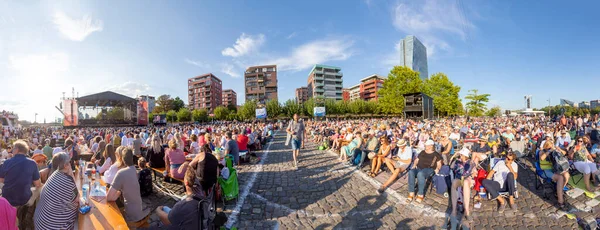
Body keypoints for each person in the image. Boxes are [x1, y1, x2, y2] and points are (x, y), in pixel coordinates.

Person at [0, 140, 42, 230]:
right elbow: (38, 184)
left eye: (13, 148)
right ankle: (31, 216)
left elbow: (1, 179)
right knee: (38, 189)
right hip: (24, 198)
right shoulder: (32, 163)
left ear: (17, 149)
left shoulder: (7, 162)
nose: (11, 151)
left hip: (7, 198)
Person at [33, 152, 78, 229]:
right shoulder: (67, 181)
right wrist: (71, 174)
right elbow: (77, 199)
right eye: (69, 162)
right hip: (53, 226)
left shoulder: (54, 174)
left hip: (41, 223)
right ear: (65, 166)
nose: (71, 164)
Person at [107, 148, 149, 228]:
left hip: (130, 215)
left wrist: (119, 192)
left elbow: (109, 197)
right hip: (138, 210)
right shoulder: (134, 170)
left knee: (111, 215)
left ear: (122, 158)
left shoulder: (121, 173)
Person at [539, 141, 570, 210]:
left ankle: (559, 191)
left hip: (554, 169)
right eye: (549, 146)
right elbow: (542, 158)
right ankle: (560, 201)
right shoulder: (542, 151)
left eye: (552, 145)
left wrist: (559, 149)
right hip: (545, 170)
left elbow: (564, 153)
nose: (551, 147)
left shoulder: (554, 151)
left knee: (566, 175)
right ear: (546, 146)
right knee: (560, 178)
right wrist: (549, 151)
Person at [450, 148, 476, 221]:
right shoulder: (456, 161)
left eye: (461, 155)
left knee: (465, 182)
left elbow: (474, 171)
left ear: (465, 156)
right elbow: (450, 167)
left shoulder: (471, 162)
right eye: (460, 155)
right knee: (454, 182)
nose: (460, 156)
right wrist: (454, 156)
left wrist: (473, 173)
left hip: (467, 180)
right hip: (459, 179)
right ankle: (454, 210)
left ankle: (467, 211)